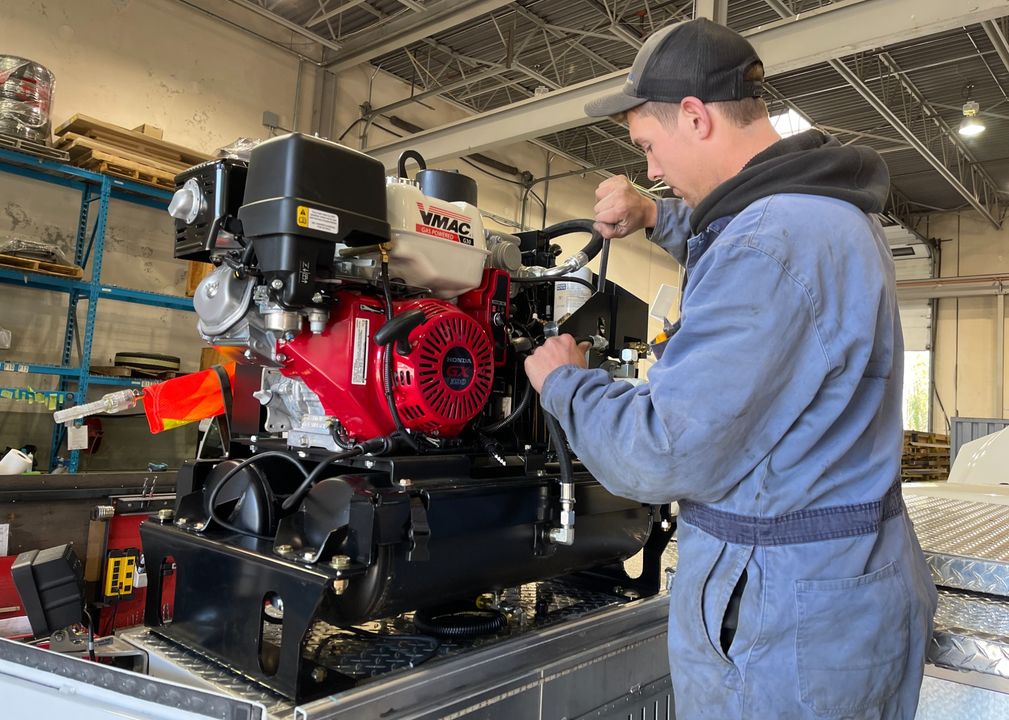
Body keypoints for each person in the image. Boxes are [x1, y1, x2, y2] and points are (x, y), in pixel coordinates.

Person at [524, 17, 938, 720]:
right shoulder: (816, 211)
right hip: (833, 589)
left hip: (786, 618)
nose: (649, 168)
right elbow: (744, 259)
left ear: (693, 116)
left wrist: (564, 382)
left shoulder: (773, 242)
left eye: (649, 148)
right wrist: (656, 215)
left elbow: (659, 453)